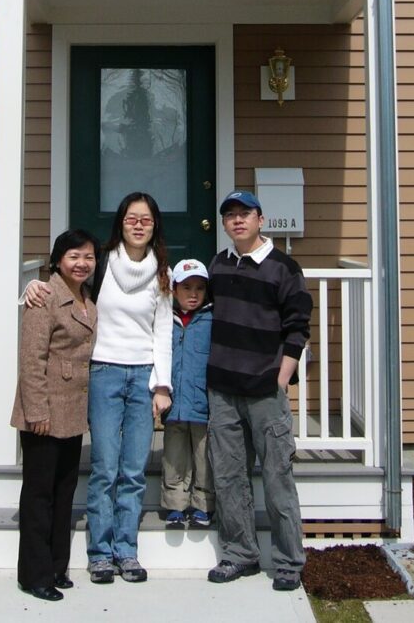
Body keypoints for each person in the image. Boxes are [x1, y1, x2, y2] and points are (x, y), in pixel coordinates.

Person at [23, 192, 173, 585]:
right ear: (120, 223)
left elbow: (162, 332)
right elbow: (62, 289)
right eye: (131, 218)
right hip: (104, 372)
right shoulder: (102, 263)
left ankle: (127, 551)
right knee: (105, 468)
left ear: (155, 225)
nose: (138, 224)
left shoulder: (163, 272)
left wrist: (163, 385)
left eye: (146, 219)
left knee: (134, 470)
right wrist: (29, 290)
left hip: (142, 376)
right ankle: (100, 553)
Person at [205, 190, 313, 592]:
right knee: (230, 477)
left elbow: (298, 327)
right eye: (230, 215)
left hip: (265, 392)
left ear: (261, 220)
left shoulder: (284, 268)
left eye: (245, 214)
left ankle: (288, 561)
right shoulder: (218, 265)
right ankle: (239, 554)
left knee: (277, 476)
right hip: (223, 389)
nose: (237, 220)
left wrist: (280, 378)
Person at [11, 228, 99, 602]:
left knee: (64, 493)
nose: (82, 263)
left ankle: (57, 567)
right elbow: (32, 360)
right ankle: (34, 575)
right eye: (74, 256)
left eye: (89, 257)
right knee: (39, 495)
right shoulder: (43, 297)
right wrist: (36, 412)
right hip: (44, 413)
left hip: (72, 410)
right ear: (58, 260)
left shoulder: (85, 297)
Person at [161, 257, 215, 530]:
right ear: (174, 290)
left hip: (203, 403)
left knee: (204, 457)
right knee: (174, 456)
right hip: (174, 404)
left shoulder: (210, 320)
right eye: (186, 288)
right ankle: (175, 505)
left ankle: (202, 504)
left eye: (199, 288)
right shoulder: (165, 321)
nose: (193, 294)